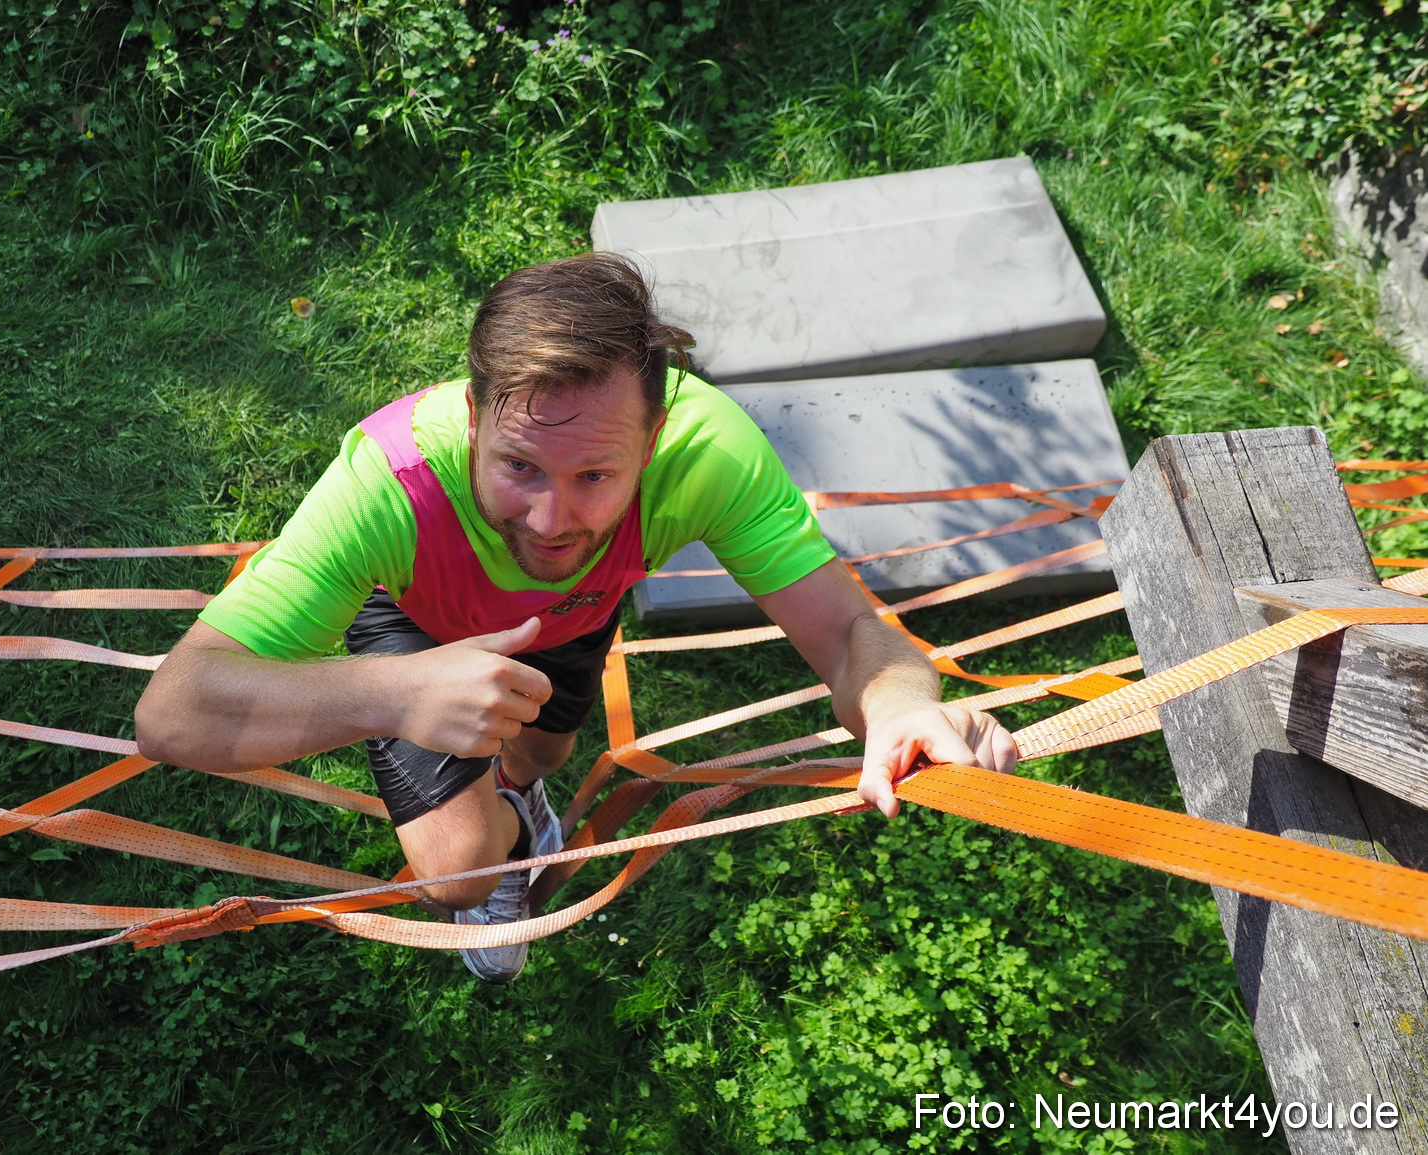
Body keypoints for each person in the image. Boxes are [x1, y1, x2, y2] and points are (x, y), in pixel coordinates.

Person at [135, 253, 1018, 983]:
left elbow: (853, 633)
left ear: (655, 435)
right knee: (456, 873)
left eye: (595, 476)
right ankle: (498, 845)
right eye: (520, 466)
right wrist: (393, 692)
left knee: (546, 753)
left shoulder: (707, 452)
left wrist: (900, 704)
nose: (552, 522)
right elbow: (172, 714)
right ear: (474, 416)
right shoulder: (388, 485)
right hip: (410, 630)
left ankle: (524, 801)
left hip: (573, 625)